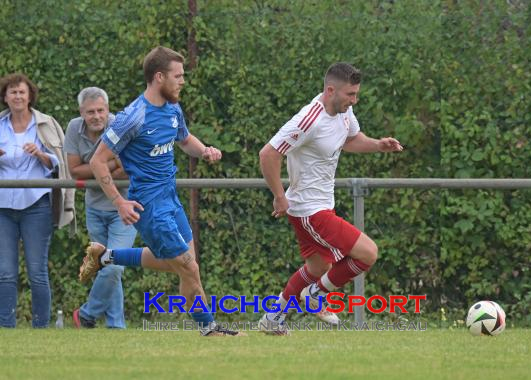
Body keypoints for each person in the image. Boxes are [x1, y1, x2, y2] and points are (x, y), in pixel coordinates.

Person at [78, 46, 243, 336]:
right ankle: (209, 329)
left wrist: (204, 151)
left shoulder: (172, 108)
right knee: (188, 267)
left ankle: (107, 257)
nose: (182, 81)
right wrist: (119, 202)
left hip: (171, 198)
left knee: (183, 265)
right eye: (177, 76)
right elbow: (97, 160)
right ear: (158, 77)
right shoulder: (133, 116)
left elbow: (184, 139)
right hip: (150, 206)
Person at [257, 62, 403, 335]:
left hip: (320, 206)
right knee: (368, 253)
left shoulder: (343, 113)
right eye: (350, 95)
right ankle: (315, 295)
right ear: (330, 90)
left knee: (318, 266)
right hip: (309, 210)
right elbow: (268, 154)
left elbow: (350, 139)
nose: (354, 100)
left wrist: (378, 145)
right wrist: (279, 196)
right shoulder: (308, 119)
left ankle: (272, 319)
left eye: (356, 94)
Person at [0, 73, 75, 328]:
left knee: (37, 272)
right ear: (5, 97)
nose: (18, 96)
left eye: (22, 92)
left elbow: (59, 164)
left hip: (37, 206)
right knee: (6, 273)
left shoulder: (46, 124)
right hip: (3, 207)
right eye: (13, 92)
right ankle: (6, 328)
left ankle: (41, 328)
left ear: (30, 96)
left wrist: (41, 155)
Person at [64, 87, 137, 329]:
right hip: (94, 208)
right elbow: (74, 170)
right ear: (81, 113)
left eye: (100, 111)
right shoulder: (74, 128)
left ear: (108, 110)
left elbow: (129, 166)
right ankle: (116, 326)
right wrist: (107, 166)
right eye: (90, 112)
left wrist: (98, 167)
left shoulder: (120, 125)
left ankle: (86, 314)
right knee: (107, 265)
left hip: (125, 206)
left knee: (114, 263)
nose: (96, 116)